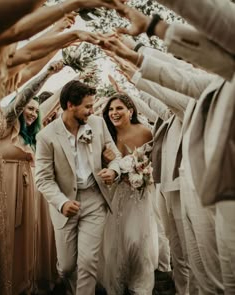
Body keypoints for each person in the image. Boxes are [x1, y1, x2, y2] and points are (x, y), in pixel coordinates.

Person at [35, 80, 121, 295]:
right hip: (64, 203)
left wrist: (113, 170)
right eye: (87, 106)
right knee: (66, 267)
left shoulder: (98, 124)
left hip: (94, 198)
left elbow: (116, 157)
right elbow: (43, 179)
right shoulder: (46, 136)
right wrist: (62, 203)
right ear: (70, 105)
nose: (92, 111)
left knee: (89, 261)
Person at [0, 60, 63, 294]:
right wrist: (46, 73)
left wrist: (72, 79)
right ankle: (12, 282)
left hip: (31, 191)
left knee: (31, 233)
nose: (33, 113)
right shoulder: (6, 126)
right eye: (29, 108)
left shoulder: (34, 133)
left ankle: (31, 280)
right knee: (10, 235)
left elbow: (52, 103)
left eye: (37, 111)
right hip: (6, 185)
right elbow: (24, 99)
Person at [99, 93, 159, 295]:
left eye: (119, 109)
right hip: (114, 193)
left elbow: (152, 161)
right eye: (111, 110)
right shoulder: (105, 134)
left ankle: (139, 282)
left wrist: (143, 174)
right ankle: (116, 281)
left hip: (138, 193)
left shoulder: (145, 132)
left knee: (137, 239)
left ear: (130, 111)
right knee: (114, 239)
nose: (114, 113)